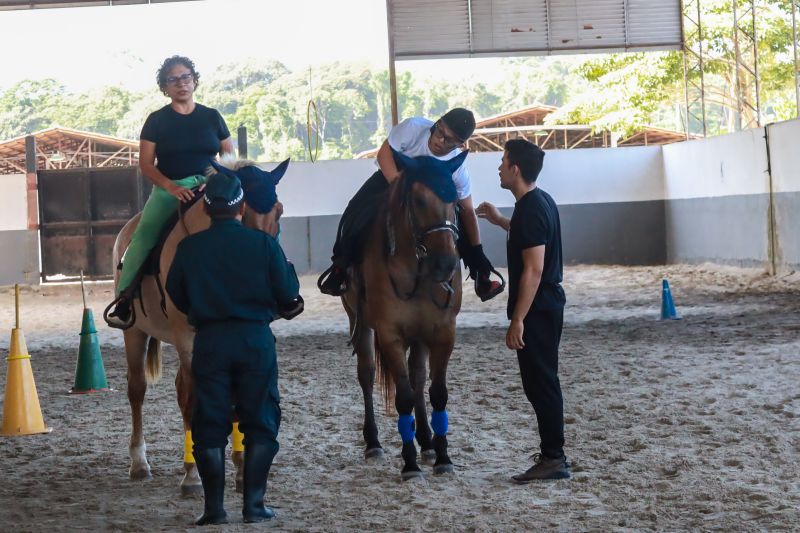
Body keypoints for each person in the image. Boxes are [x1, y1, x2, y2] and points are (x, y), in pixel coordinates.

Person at [165, 172, 302, 525]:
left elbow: (177, 296)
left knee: (208, 424)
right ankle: (254, 507)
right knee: (261, 422)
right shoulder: (264, 245)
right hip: (255, 341)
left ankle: (213, 509)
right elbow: (288, 295)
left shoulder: (188, 249)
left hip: (209, 343)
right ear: (242, 207)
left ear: (207, 209)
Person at [317, 108, 503, 301]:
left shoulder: (458, 168)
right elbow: (384, 154)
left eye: (449, 141)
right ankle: (340, 266)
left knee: (454, 220)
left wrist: (477, 250)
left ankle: (480, 275)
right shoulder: (413, 127)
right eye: (440, 132)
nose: (440, 140)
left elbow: (467, 209)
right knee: (356, 209)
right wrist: (400, 188)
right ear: (437, 123)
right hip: (393, 177)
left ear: (460, 145)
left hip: (431, 196)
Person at [106, 55, 234, 327]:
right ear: (165, 87)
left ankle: (269, 290)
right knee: (143, 237)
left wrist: (212, 180)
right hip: (169, 189)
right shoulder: (156, 121)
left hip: (209, 187)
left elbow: (229, 157)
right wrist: (171, 187)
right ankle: (125, 298)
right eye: (173, 80)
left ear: (194, 81)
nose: (181, 84)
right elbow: (145, 163)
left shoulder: (212, 117)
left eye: (186, 77)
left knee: (248, 225)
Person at [476, 138, 569, 482]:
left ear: (515, 169)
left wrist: (518, 319)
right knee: (541, 381)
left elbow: (533, 269)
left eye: (502, 162)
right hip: (547, 305)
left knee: (541, 383)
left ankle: (553, 457)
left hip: (538, 309)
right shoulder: (539, 202)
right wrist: (502, 221)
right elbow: (531, 237)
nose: (499, 168)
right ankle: (552, 454)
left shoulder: (530, 208)